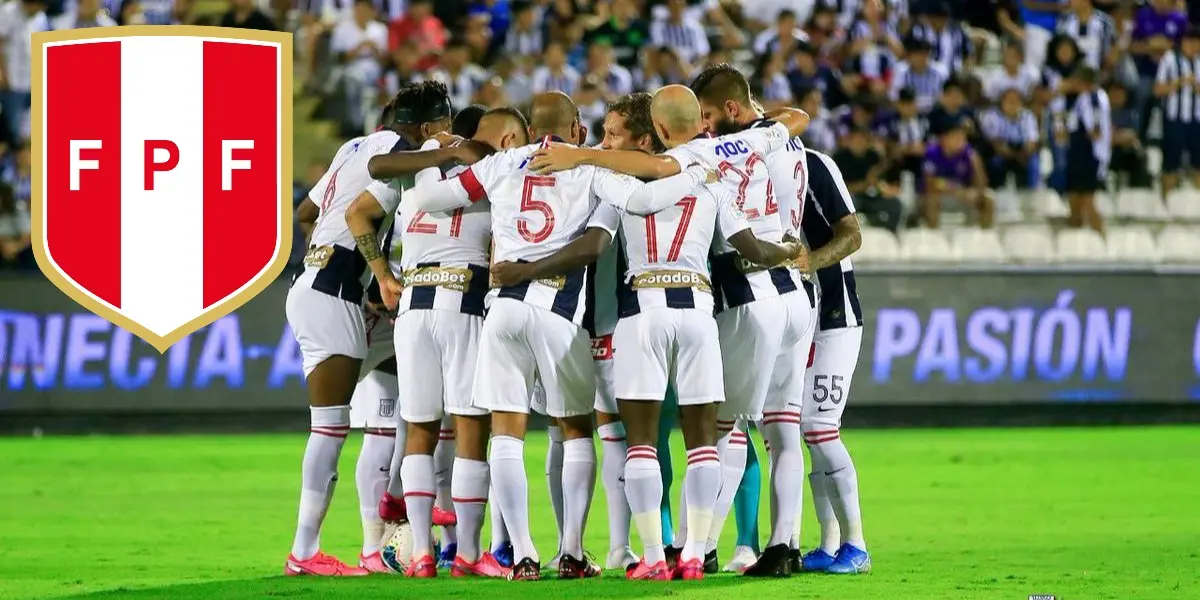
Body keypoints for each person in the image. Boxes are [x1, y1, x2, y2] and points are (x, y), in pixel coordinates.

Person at [499, 85, 807, 581]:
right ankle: (693, 555)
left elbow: (611, 227)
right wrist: (789, 250)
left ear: (656, 132)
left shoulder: (612, 182)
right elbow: (752, 244)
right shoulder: (713, 176)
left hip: (641, 312)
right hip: (698, 311)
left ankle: (652, 557)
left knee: (640, 443)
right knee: (705, 443)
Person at [404, 91, 708, 581]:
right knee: (574, 429)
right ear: (575, 130)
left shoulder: (502, 164)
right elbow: (600, 238)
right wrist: (694, 170)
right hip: (558, 311)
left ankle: (522, 553)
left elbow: (428, 198)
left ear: (530, 125)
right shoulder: (594, 171)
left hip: (501, 310)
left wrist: (448, 155)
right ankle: (571, 550)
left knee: (507, 433)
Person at [347, 107, 530, 578]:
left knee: (420, 430)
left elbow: (366, 205)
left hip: (412, 307)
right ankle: (468, 555)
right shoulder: (497, 175)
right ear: (508, 139)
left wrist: (385, 277)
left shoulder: (421, 167)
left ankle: (423, 555)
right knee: (471, 429)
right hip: (461, 301)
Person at [283, 81, 452, 577]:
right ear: (425, 128)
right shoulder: (394, 151)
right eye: (443, 128)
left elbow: (306, 212)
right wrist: (373, 269)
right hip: (332, 292)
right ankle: (304, 551)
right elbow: (382, 173)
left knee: (406, 381)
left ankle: (386, 519)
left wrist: (333, 254)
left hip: (332, 287)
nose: (446, 137)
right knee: (329, 427)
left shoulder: (353, 145)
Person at [795, 148, 869, 576]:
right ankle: (827, 543)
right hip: (797, 320)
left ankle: (857, 545)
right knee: (805, 431)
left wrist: (811, 260)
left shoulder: (812, 164)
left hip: (836, 316)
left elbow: (852, 235)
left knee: (821, 429)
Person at [1054, 66, 1109, 232]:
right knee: (1074, 204)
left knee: (1088, 203)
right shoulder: (1077, 100)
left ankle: (1103, 241)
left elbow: (1095, 133)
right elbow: (1061, 135)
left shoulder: (1093, 99)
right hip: (1076, 155)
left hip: (1089, 156)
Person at [919, 119, 994, 229]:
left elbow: (982, 183)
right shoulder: (932, 153)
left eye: (963, 137)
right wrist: (957, 191)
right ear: (945, 138)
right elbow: (930, 183)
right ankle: (933, 238)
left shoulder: (968, 153)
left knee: (987, 198)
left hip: (962, 195)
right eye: (957, 137)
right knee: (931, 201)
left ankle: (984, 236)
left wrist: (976, 163)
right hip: (939, 196)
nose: (962, 140)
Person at [1154, 26, 1200, 197]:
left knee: (1198, 165)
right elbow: (1158, 90)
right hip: (1174, 119)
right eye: (1190, 42)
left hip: (1197, 119)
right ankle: (1164, 204)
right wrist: (1179, 83)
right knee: (1171, 164)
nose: (1193, 46)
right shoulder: (1169, 60)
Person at [833, 125, 904, 232]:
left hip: (872, 196)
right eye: (856, 139)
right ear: (850, 140)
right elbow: (840, 188)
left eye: (863, 140)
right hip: (851, 198)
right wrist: (865, 184)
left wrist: (882, 187)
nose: (859, 143)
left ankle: (891, 233)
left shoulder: (873, 156)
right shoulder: (839, 158)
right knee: (847, 203)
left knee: (895, 204)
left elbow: (879, 179)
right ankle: (846, 234)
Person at [979, 88, 1041, 189]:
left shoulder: (1028, 116)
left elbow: (1031, 142)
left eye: (1016, 101)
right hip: (1000, 152)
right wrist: (1014, 156)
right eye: (1009, 101)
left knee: (1033, 162)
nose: (1013, 104)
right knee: (996, 163)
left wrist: (1023, 154)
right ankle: (995, 192)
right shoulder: (992, 116)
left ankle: (1029, 195)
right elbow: (996, 143)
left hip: (1022, 151)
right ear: (1002, 102)